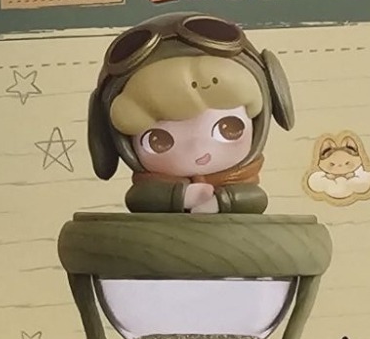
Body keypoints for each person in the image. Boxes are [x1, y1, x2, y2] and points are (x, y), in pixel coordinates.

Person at [87, 12, 293, 214]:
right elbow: (139, 199)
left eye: (229, 128)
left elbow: (255, 199)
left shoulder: (243, 182)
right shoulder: (149, 189)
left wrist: (222, 201)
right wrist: (180, 196)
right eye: (158, 141)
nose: (198, 148)